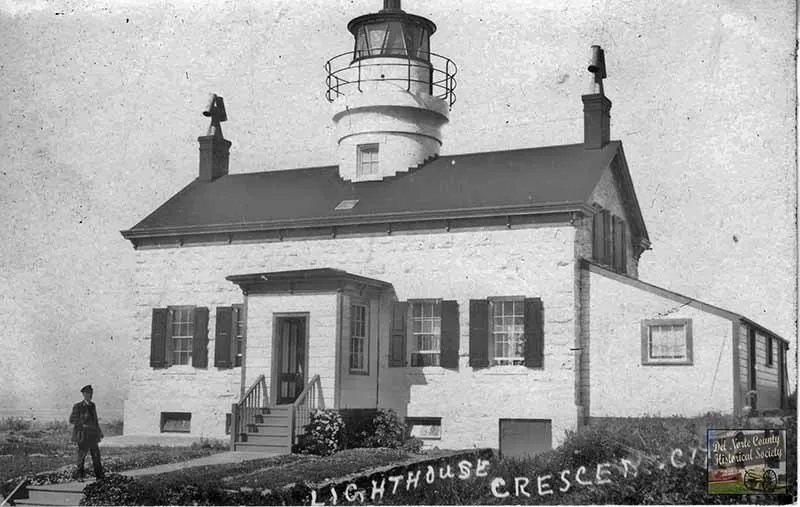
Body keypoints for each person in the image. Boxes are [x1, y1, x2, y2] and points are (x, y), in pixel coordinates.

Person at [69, 385, 105, 481]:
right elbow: (72, 420)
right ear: (84, 394)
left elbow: (95, 420)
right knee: (82, 456)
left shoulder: (93, 405)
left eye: (91, 393)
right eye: (88, 393)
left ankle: (99, 476)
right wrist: (83, 424)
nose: (90, 395)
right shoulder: (78, 406)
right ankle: (80, 476)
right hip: (83, 435)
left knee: (96, 456)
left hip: (93, 435)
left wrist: (99, 432)